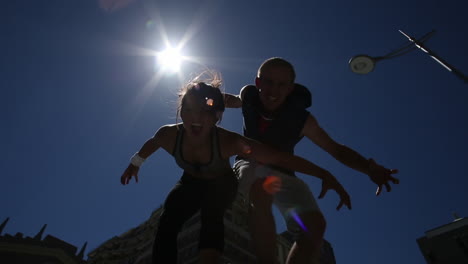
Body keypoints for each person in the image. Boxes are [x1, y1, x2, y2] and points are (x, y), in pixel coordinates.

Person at [120, 72, 351, 264]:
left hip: (221, 182)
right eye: (189, 110)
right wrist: (135, 163)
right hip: (189, 181)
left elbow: (278, 158)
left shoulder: (229, 142)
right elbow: (151, 144)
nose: (196, 118)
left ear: (218, 117)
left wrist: (323, 173)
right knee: (168, 219)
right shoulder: (168, 135)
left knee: (213, 214)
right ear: (181, 112)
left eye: (205, 112)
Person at [224, 57, 400, 264]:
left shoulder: (302, 120)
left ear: (290, 89)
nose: (273, 91)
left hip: (284, 172)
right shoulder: (249, 96)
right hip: (250, 163)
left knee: (314, 226)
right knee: (261, 188)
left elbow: (336, 149)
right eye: (268, 82)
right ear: (258, 83)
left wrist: (369, 168)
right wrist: (209, 98)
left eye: (282, 85)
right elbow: (232, 100)